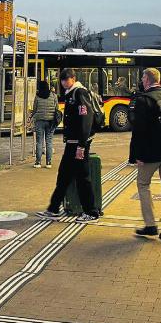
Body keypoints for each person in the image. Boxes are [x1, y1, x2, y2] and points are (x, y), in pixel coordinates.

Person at [36, 68, 100, 223]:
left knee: (82, 177)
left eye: (66, 79)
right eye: (62, 79)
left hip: (78, 144)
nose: (64, 82)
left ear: (73, 78)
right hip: (72, 143)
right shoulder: (71, 93)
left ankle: (91, 212)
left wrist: (82, 145)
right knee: (63, 176)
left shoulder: (79, 93)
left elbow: (86, 120)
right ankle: (53, 208)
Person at [129, 68, 161, 244]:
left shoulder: (144, 100)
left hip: (150, 153)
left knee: (143, 184)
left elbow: (139, 130)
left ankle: (150, 224)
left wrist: (136, 155)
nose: (142, 80)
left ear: (148, 80)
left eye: (143, 77)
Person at [30, 80, 58, 168]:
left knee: (39, 142)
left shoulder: (37, 96)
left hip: (39, 121)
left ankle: (38, 162)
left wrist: (32, 116)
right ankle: (48, 163)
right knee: (49, 141)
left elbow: (35, 109)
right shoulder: (53, 95)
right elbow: (56, 108)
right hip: (50, 122)